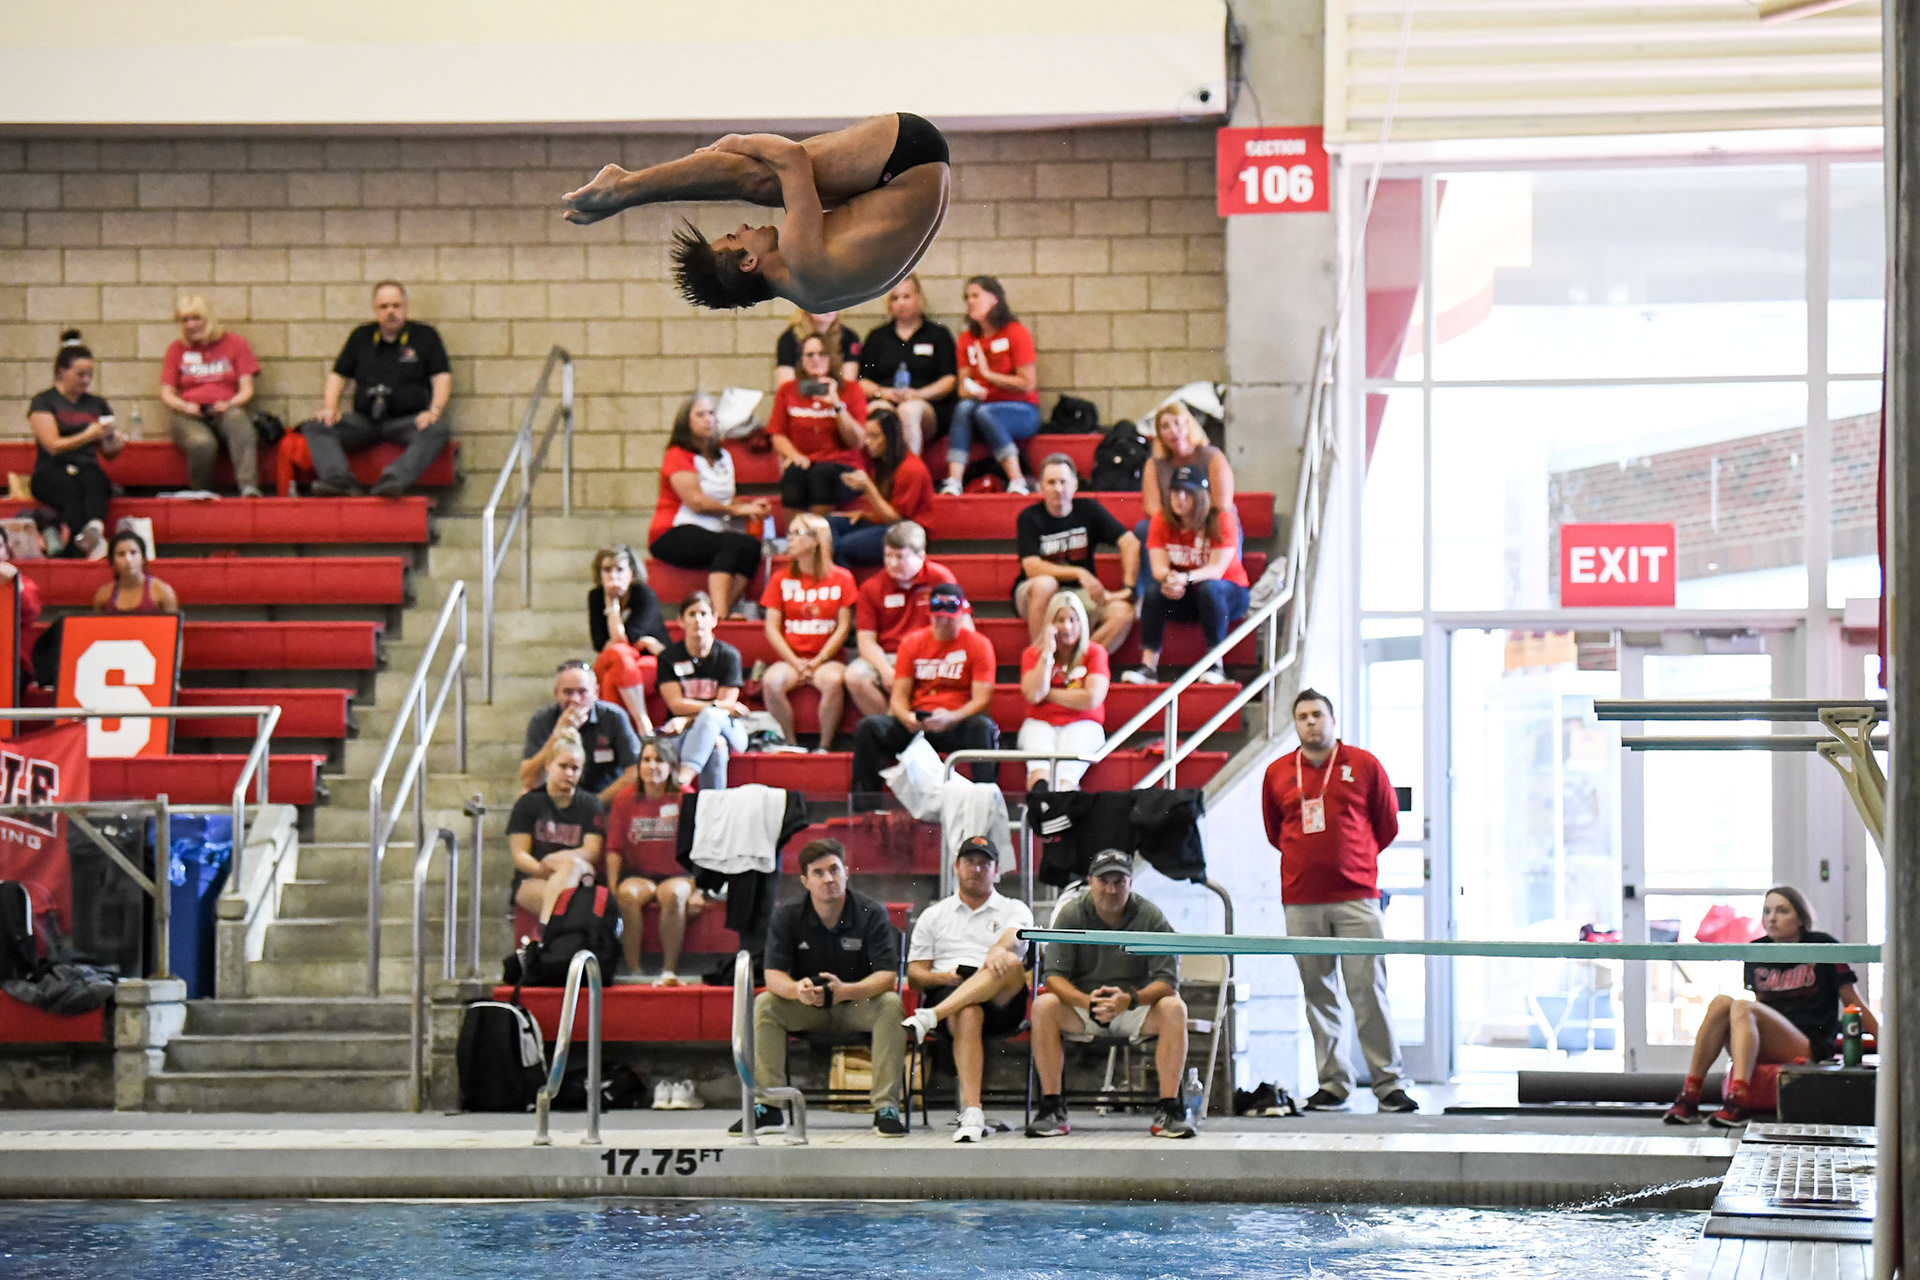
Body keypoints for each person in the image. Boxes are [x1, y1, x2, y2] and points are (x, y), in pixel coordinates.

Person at [562, 112, 951, 314]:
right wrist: (739, 141)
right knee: (759, 178)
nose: (743, 227)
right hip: (907, 153)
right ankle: (623, 188)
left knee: (774, 189)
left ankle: (626, 191)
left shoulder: (810, 296)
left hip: (914, 172)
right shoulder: (799, 255)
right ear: (749, 261)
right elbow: (790, 156)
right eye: (734, 236)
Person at [1260, 689, 1417, 1115]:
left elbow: (1386, 826)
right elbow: (1276, 832)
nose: (1311, 722)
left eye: (1318, 715)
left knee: (1368, 992)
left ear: (1332, 720)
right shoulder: (1277, 772)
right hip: (1301, 900)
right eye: (1302, 716)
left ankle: (1389, 1083)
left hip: (1356, 899)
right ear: (1295, 724)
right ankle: (1333, 1083)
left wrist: (1354, 863)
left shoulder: (1363, 765)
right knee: (1319, 995)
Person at [1664, 885, 1880, 1128]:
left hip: (1809, 1044)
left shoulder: (1823, 946)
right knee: (1721, 1003)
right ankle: (1690, 1095)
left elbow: (1853, 1001)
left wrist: (1887, 1044)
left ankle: (1739, 1100)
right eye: (1766, 911)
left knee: (1743, 1007)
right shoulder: (1758, 949)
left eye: (1782, 911)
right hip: (1769, 1041)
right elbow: (1757, 1013)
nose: (1772, 918)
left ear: (1800, 918)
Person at [738, 839, 909, 1137]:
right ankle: (770, 1108)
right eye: (818, 873)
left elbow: (886, 977)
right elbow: (773, 974)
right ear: (805, 881)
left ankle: (886, 1107)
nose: (828, 879)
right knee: (766, 1004)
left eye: (834, 870)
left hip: (857, 1004)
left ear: (847, 873)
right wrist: (796, 990)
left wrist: (845, 991)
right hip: (808, 1006)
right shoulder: (787, 914)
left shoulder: (871, 912)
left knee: (891, 1003)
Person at [1026, 849, 1193, 1140]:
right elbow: (1053, 977)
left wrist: (1130, 1000)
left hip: (1133, 1005)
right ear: (1090, 881)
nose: (1111, 888)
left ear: (1130, 883)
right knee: (1043, 1006)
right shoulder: (1071, 913)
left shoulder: (1151, 916)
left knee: (1174, 1008)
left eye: (1119, 881)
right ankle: (1051, 1106)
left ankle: (1169, 1109)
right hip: (1083, 1005)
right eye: (1104, 880)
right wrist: (1086, 1002)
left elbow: (1167, 981)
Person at [901, 836, 1034, 1143]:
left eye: (984, 863)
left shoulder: (1013, 908)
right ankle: (972, 1112)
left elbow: (1014, 938)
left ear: (997, 871)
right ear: (956, 868)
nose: (976, 869)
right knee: (969, 1011)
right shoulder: (934, 915)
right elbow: (917, 975)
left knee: (1010, 963)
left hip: (1003, 997)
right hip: (951, 990)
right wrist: (943, 977)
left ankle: (929, 1017)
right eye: (969, 862)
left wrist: (997, 951)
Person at [300, 281, 451, 497]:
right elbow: (338, 375)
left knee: (438, 430)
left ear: (406, 307)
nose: (391, 312)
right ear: (375, 309)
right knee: (316, 426)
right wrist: (330, 408)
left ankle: (393, 480)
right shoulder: (361, 336)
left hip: (407, 421)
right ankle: (339, 480)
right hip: (364, 422)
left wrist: (434, 411)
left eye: (396, 306)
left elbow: (441, 377)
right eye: (384, 307)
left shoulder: (425, 336)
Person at [850, 582, 998, 794]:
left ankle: (986, 797)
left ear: (962, 615)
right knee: (869, 728)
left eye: (949, 617)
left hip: (957, 721)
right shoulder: (912, 642)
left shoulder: (979, 644)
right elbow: (899, 695)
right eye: (938, 617)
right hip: (919, 722)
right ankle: (865, 806)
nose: (943, 622)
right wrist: (906, 717)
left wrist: (951, 717)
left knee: (983, 727)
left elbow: (982, 699)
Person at [647, 392, 769, 620]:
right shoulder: (677, 454)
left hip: (712, 531)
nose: (708, 419)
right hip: (672, 532)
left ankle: (716, 612)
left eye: (711, 413)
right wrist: (735, 510)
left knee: (751, 547)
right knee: (730, 544)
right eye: (700, 414)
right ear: (687, 422)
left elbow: (726, 500)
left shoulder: (723, 456)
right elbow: (696, 502)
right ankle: (721, 614)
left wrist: (751, 507)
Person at [1123, 465, 1247, 687]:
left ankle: (1215, 665)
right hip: (1188, 593)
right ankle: (1148, 667)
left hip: (1229, 595)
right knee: (1153, 591)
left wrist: (1185, 578)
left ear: (1201, 496)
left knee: (1211, 588)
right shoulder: (1161, 520)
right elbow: (1158, 567)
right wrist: (1169, 579)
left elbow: (1216, 570)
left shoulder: (1221, 520)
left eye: (1187, 492)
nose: (1180, 498)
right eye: (1175, 491)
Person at [1014, 454, 1139, 651]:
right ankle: (1041, 660)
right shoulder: (1029, 517)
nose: (1058, 488)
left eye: (1063, 482)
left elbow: (1129, 542)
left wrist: (1129, 587)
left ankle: (1078, 666)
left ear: (1074, 485)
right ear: (1041, 487)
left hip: (1080, 594)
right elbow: (1031, 567)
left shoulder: (1088, 509)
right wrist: (1079, 573)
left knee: (1123, 613)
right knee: (1045, 583)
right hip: (1037, 593)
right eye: (1051, 482)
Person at [604, 740, 705, 984]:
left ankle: (668, 970)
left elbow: (703, 846)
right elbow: (614, 847)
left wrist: (701, 889)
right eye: (646, 760)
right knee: (627, 894)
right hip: (640, 874)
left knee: (673, 895)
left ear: (671, 766)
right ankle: (634, 970)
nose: (652, 766)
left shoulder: (686, 797)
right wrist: (612, 886)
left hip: (679, 874)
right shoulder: (625, 799)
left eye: (659, 760)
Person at [759, 514, 856, 752]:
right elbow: (771, 627)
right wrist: (795, 661)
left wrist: (818, 660)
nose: (789, 539)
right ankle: (790, 744)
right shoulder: (780, 578)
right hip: (791, 658)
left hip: (828, 659)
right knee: (771, 681)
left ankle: (824, 745)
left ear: (815, 541)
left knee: (832, 681)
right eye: (789, 533)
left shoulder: (842, 578)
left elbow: (843, 627)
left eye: (796, 534)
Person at [27, 330, 123, 560]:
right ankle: (76, 549)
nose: (86, 380)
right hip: (50, 470)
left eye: (90, 375)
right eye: (80, 375)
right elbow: (53, 445)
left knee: (97, 479)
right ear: (63, 371)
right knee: (72, 494)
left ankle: (95, 530)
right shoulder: (44, 401)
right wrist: (88, 435)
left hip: (85, 467)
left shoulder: (97, 404)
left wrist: (114, 441)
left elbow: (108, 454)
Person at [845, 521, 957, 720]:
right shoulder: (871, 587)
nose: (892, 563)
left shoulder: (940, 579)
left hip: (929, 654)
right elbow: (866, 640)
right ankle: (892, 728)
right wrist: (885, 671)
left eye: (899, 557)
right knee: (854, 676)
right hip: (888, 654)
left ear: (921, 556)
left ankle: (898, 730)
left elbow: (960, 628)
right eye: (887, 556)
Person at [942, 276, 1039, 497]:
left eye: (975, 295)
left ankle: (1017, 480)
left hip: (1021, 410)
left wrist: (989, 376)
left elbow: (1027, 383)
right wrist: (974, 389)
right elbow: (963, 388)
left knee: (986, 412)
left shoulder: (1015, 332)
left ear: (994, 299)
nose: (970, 301)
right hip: (981, 408)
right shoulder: (967, 339)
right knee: (963, 407)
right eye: (967, 297)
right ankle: (953, 481)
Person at [158, 295, 262, 496]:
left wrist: (229, 403)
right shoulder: (177, 349)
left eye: (196, 319)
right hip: (188, 414)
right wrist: (183, 406)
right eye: (185, 320)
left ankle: (249, 487)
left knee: (238, 420)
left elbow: (247, 389)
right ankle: (201, 493)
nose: (190, 325)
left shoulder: (235, 344)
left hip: (224, 409)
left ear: (208, 319)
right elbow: (166, 393)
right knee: (202, 444)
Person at [506, 733, 608, 926]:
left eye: (575, 768)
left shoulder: (590, 804)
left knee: (577, 866)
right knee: (574, 900)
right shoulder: (529, 803)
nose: (569, 773)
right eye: (563, 766)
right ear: (548, 765)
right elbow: (520, 855)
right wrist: (548, 871)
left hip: (579, 879)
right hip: (533, 879)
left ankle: (545, 933)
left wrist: (560, 861)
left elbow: (592, 851)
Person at [767, 332, 869, 516]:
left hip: (841, 465)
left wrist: (837, 405)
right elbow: (777, 433)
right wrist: (794, 455)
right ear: (801, 359)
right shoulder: (788, 390)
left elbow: (857, 441)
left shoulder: (851, 390)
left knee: (821, 474)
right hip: (805, 462)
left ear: (832, 357)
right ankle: (796, 539)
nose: (816, 359)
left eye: (822, 354)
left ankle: (819, 537)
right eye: (810, 355)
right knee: (793, 473)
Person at [1017, 592, 1109, 791]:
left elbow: (1091, 699)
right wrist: (1047, 655)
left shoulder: (1095, 653)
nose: (1067, 627)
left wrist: (1047, 693)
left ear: (1082, 623)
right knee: (1039, 770)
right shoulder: (1032, 654)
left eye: (1073, 620)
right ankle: (1038, 810)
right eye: (1060, 620)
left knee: (1065, 774)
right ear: (1050, 622)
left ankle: (1061, 814)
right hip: (1040, 722)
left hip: (1084, 723)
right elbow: (1033, 695)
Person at [655, 592, 747, 791]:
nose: (698, 620)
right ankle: (713, 809)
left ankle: (683, 778)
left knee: (712, 717)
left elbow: (725, 710)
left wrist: (689, 718)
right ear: (680, 621)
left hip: (729, 729)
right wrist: (714, 705)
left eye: (704, 614)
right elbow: (676, 705)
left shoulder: (729, 656)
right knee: (716, 744)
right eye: (692, 614)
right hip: (683, 731)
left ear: (714, 620)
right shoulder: (668, 658)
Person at [857, 276, 956, 455]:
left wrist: (918, 394)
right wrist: (883, 393)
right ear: (889, 304)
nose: (901, 303)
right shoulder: (877, 337)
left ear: (918, 298)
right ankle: (879, 475)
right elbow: (863, 381)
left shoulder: (938, 335)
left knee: (908, 411)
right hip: (887, 398)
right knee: (879, 412)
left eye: (906, 297)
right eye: (895, 298)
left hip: (926, 404)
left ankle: (910, 473)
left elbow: (949, 379)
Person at [520, 660, 642, 800]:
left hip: (603, 799)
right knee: (525, 799)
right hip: (557, 802)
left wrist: (595, 804)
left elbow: (635, 771)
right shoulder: (542, 719)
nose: (575, 699)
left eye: (582, 691)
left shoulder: (613, 717)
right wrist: (557, 735)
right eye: (568, 692)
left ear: (596, 692)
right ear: (556, 693)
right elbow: (529, 780)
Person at [828, 409, 934, 568]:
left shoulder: (911, 469)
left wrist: (868, 488)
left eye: (874, 436)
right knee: (827, 525)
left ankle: (844, 586)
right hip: (886, 524)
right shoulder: (880, 463)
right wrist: (867, 515)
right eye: (867, 435)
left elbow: (897, 520)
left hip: (907, 534)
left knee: (840, 546)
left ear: (890, 438)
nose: (868, 441)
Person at [587, 545, 668, 737]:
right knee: (618, 655)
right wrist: (611, 603)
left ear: (631, 573)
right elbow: (600, 643)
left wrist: (612, 609)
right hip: (614, 659)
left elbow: (621, 640)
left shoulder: (644, 595)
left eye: (620, 569)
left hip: (647, 660)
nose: (613, 576)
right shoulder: (596, 596)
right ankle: (643, 726)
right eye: (607, 569)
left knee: (610, 678)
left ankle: (613, 739)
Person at [92, 530, 180, 615]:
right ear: (112, 561)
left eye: (133, 553)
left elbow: (172, 628)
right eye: (121, 554)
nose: (128, 559)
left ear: (143, 558)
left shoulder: (163, 592)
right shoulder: (102, 596)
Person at [775, 309, 861, 385]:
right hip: (800, 396)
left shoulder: (849, 337)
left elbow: (848, 383)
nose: (830, 308)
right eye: (823, 303)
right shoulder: (789, 338)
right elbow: (785, 386)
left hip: (837, 394)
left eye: (835, 303)